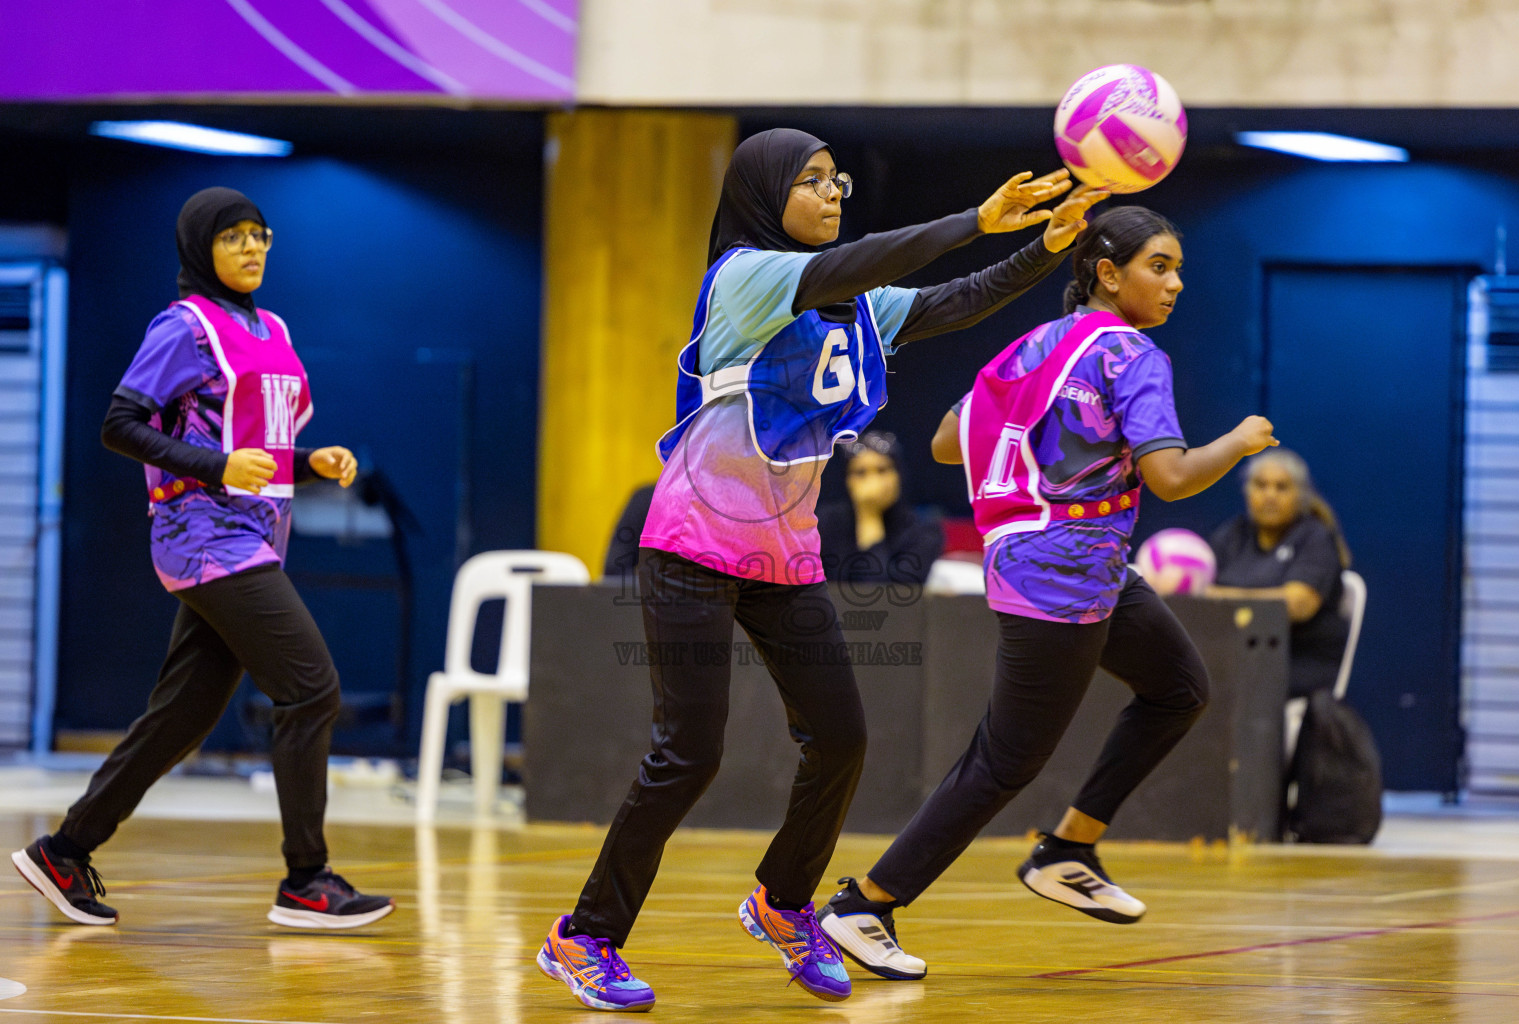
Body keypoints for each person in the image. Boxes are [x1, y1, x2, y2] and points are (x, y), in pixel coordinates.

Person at [535, 128, 1107, 1012]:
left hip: (785, 555)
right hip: (689, 545)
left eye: (838, 177)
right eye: (811, 181)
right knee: (687, 755)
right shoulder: (744, 276)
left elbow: (957, 302)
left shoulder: (854, 306)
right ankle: (584, 938)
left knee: (841, 738)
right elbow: (867, 260)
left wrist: (1044, 248)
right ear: (767, 195)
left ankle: (782, 901)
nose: (833, 192)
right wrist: (976, 216)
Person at [816, 206, 1277, 982]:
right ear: (1107, 272)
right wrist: (1238, 441)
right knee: (1004, 762)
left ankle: (1067, 849)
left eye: (1177, 267)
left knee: (1178, 688)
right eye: (1158, 266)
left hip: (1066, 564)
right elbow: (1169, 476)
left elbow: (942, 440)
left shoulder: (1032, 346)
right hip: (1059, 576)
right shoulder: (1130, 354)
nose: (1176, 283)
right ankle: (866, 903)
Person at [9, 187, 393, 930]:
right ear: (199, 249)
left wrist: (312, 462)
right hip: (202, 535)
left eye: (260, 235)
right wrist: (218, 469)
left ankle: (65, 850)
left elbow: (257, 444)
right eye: (233, 237)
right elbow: (119, 425)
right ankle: (307, 880)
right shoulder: (184, 327)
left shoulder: (271, 328)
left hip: (254, 537)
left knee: (181, 717)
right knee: (311, 689)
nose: (251, 248)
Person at [1205, 449, 1351, 697]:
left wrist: (1218, 597)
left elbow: (1297, 604)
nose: (1269, 495)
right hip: (1234, 651)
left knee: (1219, 684)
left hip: (1297, 659)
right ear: (1247, 491)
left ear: (1301, 495)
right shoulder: (1232, 534)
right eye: (1260, 485)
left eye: (1281, 487)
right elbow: (1195, 593)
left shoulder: (1314, 537)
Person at [818, 430, 944, 586]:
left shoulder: (924, 532)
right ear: (847, 480)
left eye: (882, 470)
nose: (872, 482)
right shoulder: (825, 524)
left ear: (899, 475)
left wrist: (869, 516)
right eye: (861, 473)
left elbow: (885, 598)